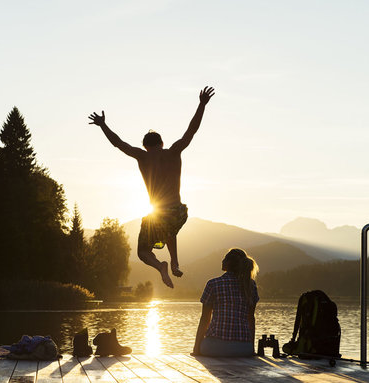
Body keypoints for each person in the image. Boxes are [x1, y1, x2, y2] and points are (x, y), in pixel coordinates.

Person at [88, 86, 215, 288]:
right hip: (179, 211)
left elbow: (118, 143)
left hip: (158, 213)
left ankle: (161, 266)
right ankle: (175, 261)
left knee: (143, 252)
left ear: (145, 145)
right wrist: (201, 105)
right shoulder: (173, 152)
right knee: (169, 228)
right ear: (162, 143)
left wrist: (103, 125)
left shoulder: (142, 156)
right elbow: (191, 131)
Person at [192, 248, 260, 357]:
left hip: (215, 348)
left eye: (224, 258)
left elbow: (205, 319)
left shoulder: (213, 284)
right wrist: (251, 349)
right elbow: (250, 319)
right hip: (244, 349)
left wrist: (196, 349)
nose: (222, 261)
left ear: (228, 263)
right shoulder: (250, 285)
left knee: (206, 342)